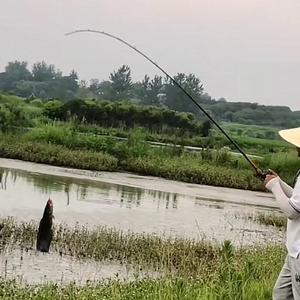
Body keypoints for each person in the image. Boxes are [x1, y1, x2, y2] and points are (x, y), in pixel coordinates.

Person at [264, 127, 300, 299]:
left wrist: (274, 187)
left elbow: (292, 212)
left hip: (299, 253)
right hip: (293, 252)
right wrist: (278, 182)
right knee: (280, 295)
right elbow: (297, 198)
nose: (296, 149)